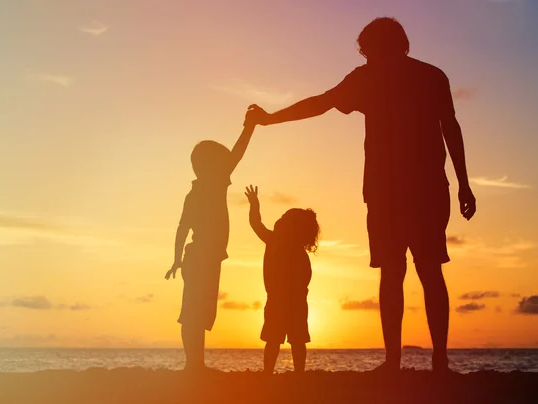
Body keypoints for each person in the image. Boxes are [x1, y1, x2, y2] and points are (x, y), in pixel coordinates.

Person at [245, 17, 476, 373]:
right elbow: (321, 103)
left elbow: (450, 127)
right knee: (413, 272)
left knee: (414, 272)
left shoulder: (399, 77)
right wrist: (271, 119)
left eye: (371, 52)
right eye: (367, 54)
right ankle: (409, 361)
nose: (369, 59)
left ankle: (425, 360)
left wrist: (464, 182)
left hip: (409, 190)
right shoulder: (407, 76)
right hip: (402, 190)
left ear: (390, 48)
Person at [165, 109, 257, 372]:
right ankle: (193, 365)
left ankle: (196, 364)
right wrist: (250, 127)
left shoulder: (201, 190)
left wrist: (177, 258)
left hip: (203, 257)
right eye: (222, 161)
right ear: (211, 166)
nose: (227, 165)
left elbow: (182, 228)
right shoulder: (208, 186)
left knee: (200, 313)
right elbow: (183, 228)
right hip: (200, 257)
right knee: (193, 313)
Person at [244, 185, 319, 374]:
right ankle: (287, 373)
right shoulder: (276, 241)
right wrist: (254, 204)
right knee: (281, 340)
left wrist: (254, 205)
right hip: (285, 300)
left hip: (286, 301)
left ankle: (283, 373)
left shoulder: (277, 242)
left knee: (288, 340)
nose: (280, 220)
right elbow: (256, 223)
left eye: (285, 219)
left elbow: (256, 225)